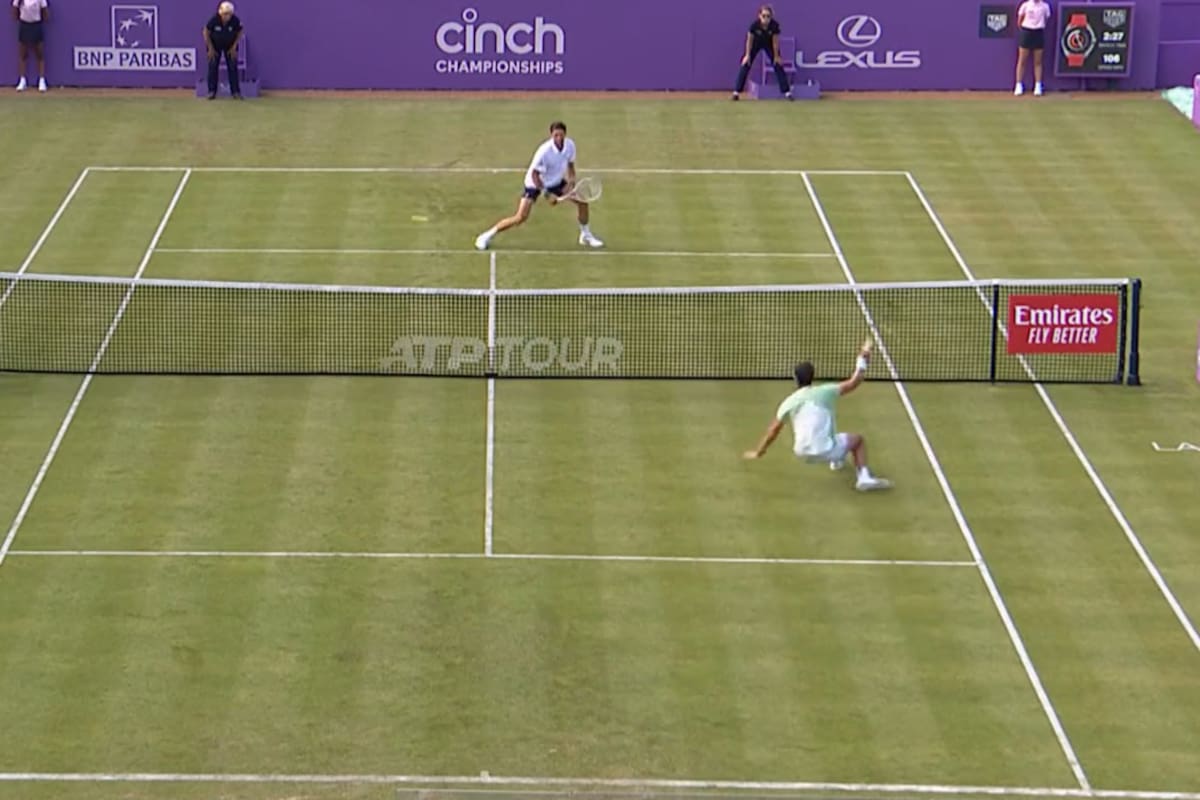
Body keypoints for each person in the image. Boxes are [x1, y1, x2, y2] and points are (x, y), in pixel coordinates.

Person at [742, 341, 892, 492]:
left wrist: (759, 451)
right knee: (858, 441)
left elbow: (773, 430)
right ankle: (863, 478)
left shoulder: (788, 402)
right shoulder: (826, 391)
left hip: (801, 452)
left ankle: (836, 459)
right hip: (825, 449)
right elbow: (855, 381)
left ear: (795, 378)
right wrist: (863, 357)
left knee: (836, 438)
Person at [475, 121, 604, 251]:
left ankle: (586, 235)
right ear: (551, 135)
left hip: (556, 181)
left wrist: (571, 181)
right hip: (535, 183)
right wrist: (547, 195)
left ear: (565, 134)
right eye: (556, 135)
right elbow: (535, 174)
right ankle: (486, 236)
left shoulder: (570, 145)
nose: (559, 138)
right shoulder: (544, 151)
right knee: (520, 217)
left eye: (561, 135)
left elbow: (570, 165)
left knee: (583, 202)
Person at [732, 4, 792, 101]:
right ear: (759, 16)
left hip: (769, 44)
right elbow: (749, 40)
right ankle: (736, 92)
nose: (766, 18)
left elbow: (775, 42)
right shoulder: (754, 26)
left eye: (768, 16)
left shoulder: (774, 26)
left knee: (778, 64)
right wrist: (747, 55)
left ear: (771, 17)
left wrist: (776, 56)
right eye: (763, 16)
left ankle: (787, 92)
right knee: (746, 64)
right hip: (756, 43)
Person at [203, 0, 243, 100]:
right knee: (212, 66)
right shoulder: (214, 19)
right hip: (215, 45)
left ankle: (235, 92)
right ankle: (211, 92)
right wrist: (210, 48)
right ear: (221, 13)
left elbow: (240, 31)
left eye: (229, 14)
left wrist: (234, 46)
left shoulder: (235, 20)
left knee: (233, 66)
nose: (227, 16)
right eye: (225, 14)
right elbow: (206, 32)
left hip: (230, 45)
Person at [1015, 0, 1052, 96]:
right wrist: (1027, 29)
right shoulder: (1025, 5)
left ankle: (1038, 86)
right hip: (1026, 32)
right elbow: (1019, 21)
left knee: (1038, 61)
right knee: (1022, 60)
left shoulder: (1045, 6)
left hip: (1039, 33)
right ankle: (1018, 85)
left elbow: (1046, 19)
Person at [13, 0, 48, 92]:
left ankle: (41, 81)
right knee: (23, 54)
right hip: (24, 25)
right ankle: (22, 81)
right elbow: (14, 11)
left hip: (36, 25)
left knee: (39, 54)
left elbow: (45, 13)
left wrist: (40, 20)